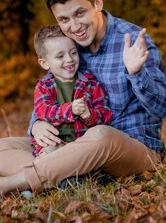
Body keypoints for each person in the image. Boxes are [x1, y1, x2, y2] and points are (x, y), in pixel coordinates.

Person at [0, 0, 166, 201]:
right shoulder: (69, 46)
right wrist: (37, 125)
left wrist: (137, 73)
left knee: (101, 134)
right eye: (64, 20)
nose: (74, 27)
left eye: (80, 13)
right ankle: (68, 178)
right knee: (0, 148)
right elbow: (49, 93)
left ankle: (6, 185)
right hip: (73, 145)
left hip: (132, 149)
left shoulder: (132, 41)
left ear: (97, 3)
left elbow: (161, 107)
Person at [30, 25, 112, 157]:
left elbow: (105, 115)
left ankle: (67, 172)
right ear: (45, 63)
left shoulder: (91, 83)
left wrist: (88, 115)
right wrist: (70, 109)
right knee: (48, 154)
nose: (69, 59)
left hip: (84, 145)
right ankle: (46, 170)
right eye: (60, 56)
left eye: (73, 53)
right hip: (56, 143)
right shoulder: (44, 86)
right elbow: (43, 112)